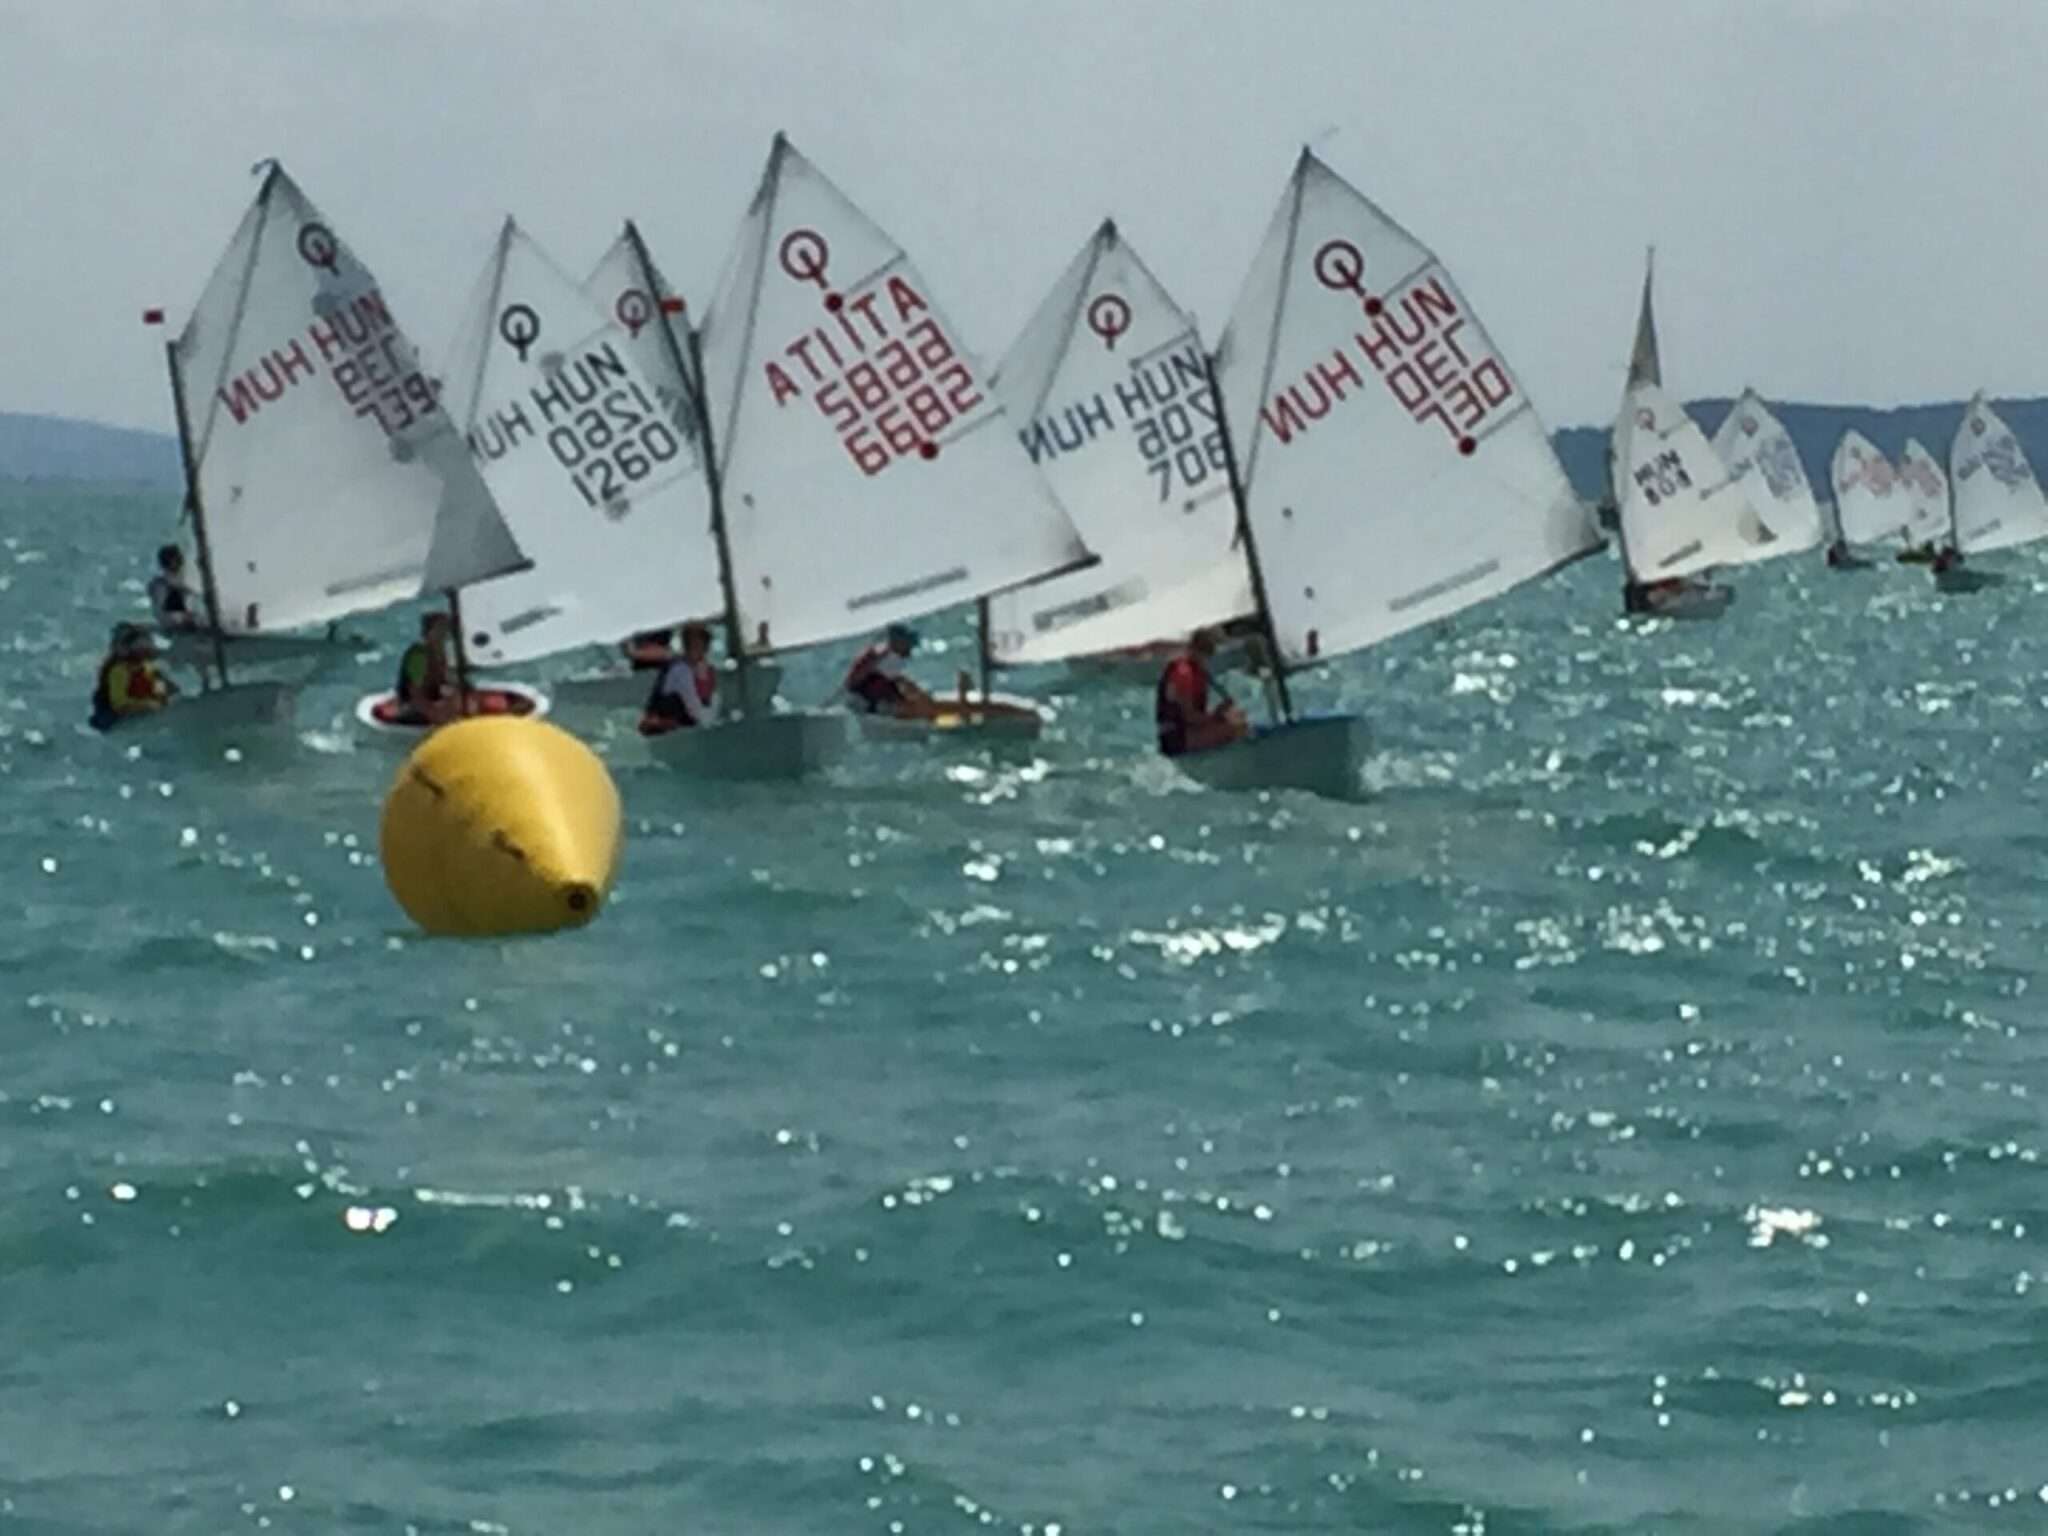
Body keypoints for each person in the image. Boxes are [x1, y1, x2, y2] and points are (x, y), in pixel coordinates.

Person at [1155, 626, 1247, 757]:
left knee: (1237, 721)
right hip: (1176, 738)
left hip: (1187, 731)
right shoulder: (1183, 673)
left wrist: (1220, 713)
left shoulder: (1196, 669)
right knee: (1236, 729)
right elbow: (1189, 717)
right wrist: (1217, 717)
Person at [89, 622, 177, 731]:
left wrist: (162, 695)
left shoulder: (148, 667)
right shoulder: (119, 671)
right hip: (116, 717)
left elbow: (159, 687)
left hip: (143, 710)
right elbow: (119, 703)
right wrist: (147, 705)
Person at [639, 621, 720, 736]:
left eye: (703, 644)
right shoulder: (680, 670)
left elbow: (710, 704)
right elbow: (700, 716)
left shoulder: (703, 671)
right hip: (667, 737)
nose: (700, 650)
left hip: (684, 733)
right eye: (693, 644)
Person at [843, 623, 933, 717]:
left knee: (910, 700)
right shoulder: (882, 655)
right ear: (898, 642)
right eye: (908, 645)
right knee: (906, 705)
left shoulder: (887, 654)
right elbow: (854, 681)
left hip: (874, 692)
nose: (909, 651)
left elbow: (897, 680)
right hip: (865, 697)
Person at [393, 611, 460, 725]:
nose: (445, 633)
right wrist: (436, 715)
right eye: (440, 629)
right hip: (412, 707)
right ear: (428, 633)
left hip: (433, 699)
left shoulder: (443, 652)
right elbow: (416, 696)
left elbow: (447, 682)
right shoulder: (418, 656)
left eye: (446, 629)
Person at [147, 544, 200, 631]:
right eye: (178, 559)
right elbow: (166, 615)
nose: (181, 562)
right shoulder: (161, 585)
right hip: (176, 630)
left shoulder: (180, 584)